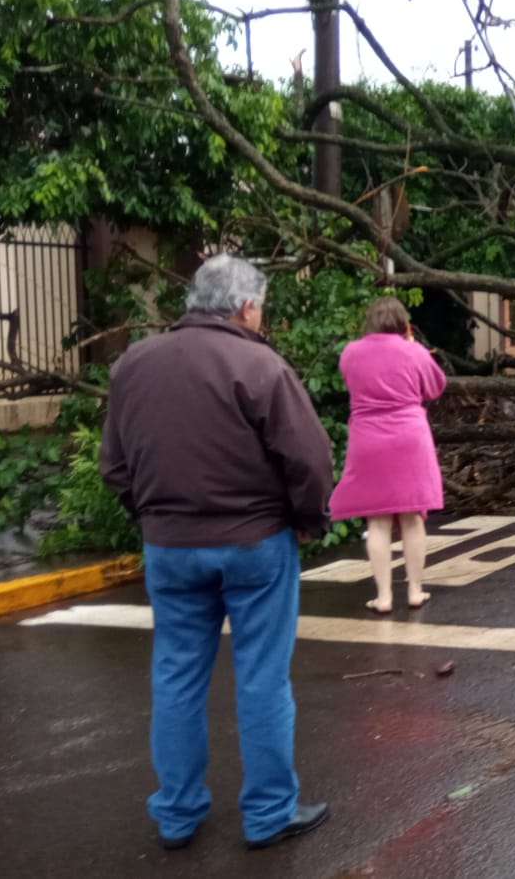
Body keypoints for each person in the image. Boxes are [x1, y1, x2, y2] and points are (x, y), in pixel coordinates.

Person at [100, 255, 334, 850]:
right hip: (255, 543)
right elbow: (309, 458)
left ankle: (176, 814)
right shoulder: (259, 364)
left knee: (176, 674)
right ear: (246, 306)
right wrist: (309, 521)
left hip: (169, 547)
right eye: (262, 308)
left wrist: (153, 517)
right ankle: (269, 813)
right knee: (261, 677)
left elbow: (116, 465)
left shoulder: (133, 364)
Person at [328, 296, 448, 614]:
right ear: (403, 324)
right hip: (409, 437)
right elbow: (436, 386)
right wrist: (411, 346)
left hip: (368, 438)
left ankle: (383, 597)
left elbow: (351, 385)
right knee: (412, 517)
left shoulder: (350, 353)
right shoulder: (413, 351)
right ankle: (414, 590)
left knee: (377, 520)